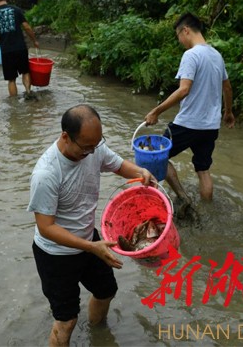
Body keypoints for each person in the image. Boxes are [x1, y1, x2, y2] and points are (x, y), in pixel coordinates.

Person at [29, 104, 156, 347]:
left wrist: (140, 171)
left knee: (106, 290)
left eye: (96, 145)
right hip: (56, 254)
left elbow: (117, 164)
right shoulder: (46, 174)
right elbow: (46, 227)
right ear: (66, 136)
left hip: (91, 241)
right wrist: (89, 246)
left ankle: (99, 335)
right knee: (66, 320)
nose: (92, 152)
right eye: (86, 147)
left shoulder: (93, 147)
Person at [144, 13, 235, 206]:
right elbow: (227, 87)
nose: (180, 41)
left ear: (186, 30)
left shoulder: (191, 55)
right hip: (210, 127)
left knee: (157, 157)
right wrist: (228, 112)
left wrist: (156, 111)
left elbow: (184, 89)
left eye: (179, 35)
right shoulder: (217, 55)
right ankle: (206, 210)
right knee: (203, 170)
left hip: (188, 124)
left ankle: (184, 199)